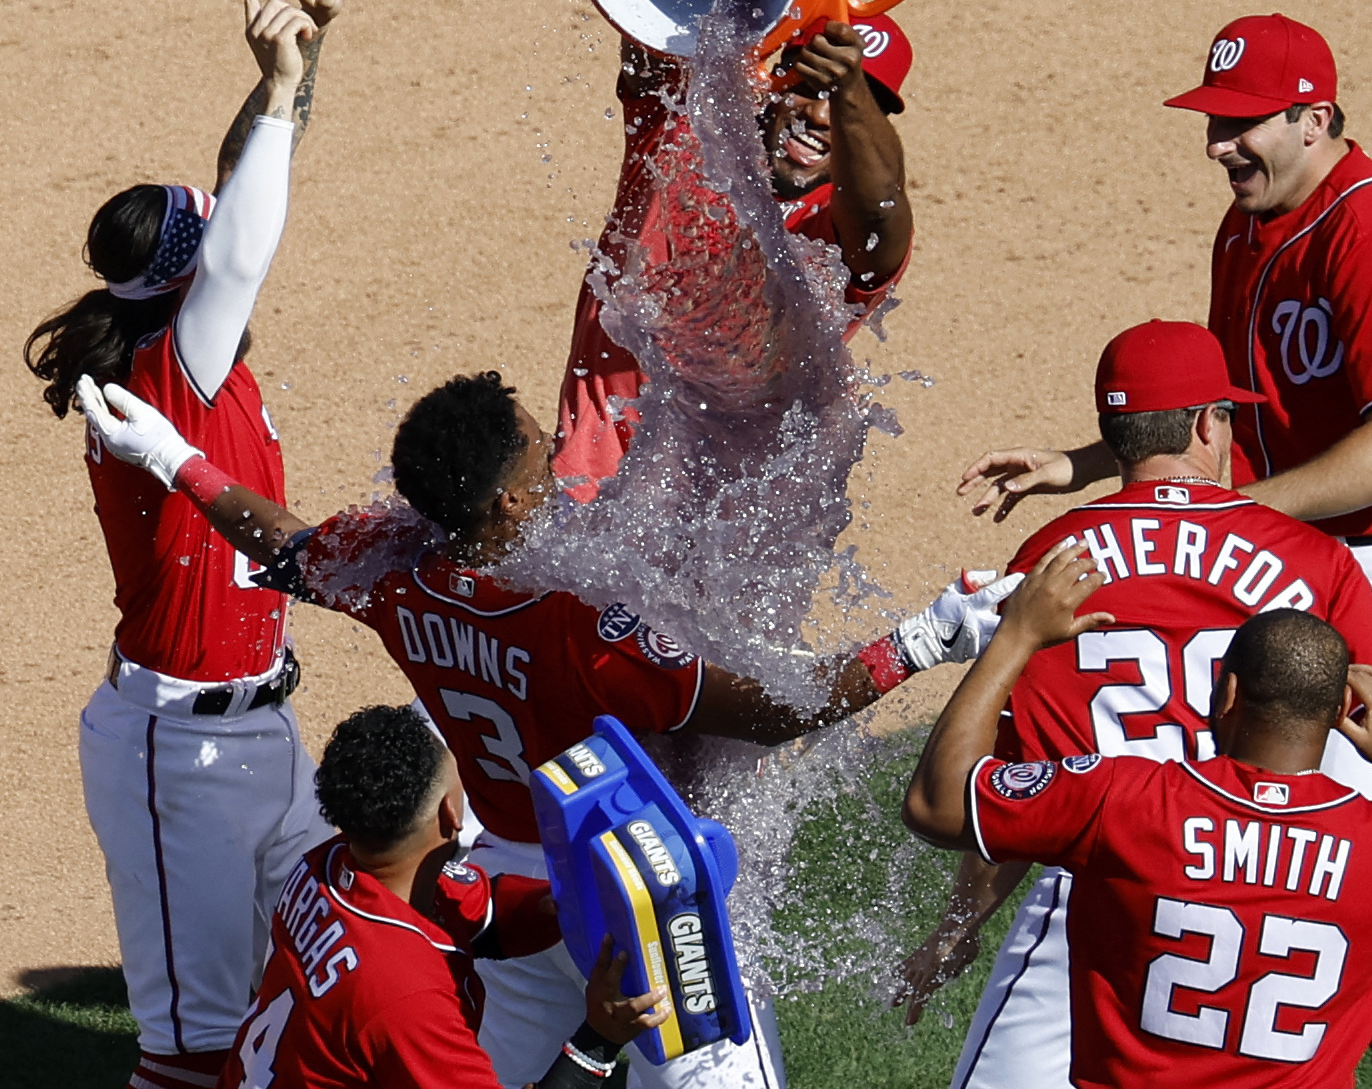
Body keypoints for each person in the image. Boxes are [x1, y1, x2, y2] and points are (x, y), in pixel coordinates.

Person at [78, 368, 1007, 1089]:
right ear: (508, 505)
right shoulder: (575, 630)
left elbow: (278, 538)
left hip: (496, 888)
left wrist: (173, 461)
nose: (555, 453)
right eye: (535, 454)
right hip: (625, 889)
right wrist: (930, 637)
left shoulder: (398, 576)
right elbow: (773, 713)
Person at [898, 319, 1372, 1089]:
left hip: (1100, 892)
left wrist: (958, 924)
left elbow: (1017, 766)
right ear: (1209, 424)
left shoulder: (1053, 559)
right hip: (1281, 883)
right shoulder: (1314, 560)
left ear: (1115, 432)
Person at [960, 14, 1372, 734]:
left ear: (1313, 120)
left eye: (1241, 121)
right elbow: (1216, 410)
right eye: (1212, 120)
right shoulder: (1246, 225)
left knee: (1341, 811)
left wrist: (1237, 521)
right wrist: (1080, 464)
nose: (1215, 146)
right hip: (1285, 560)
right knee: (1223, 808)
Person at [24, 0, 345, 1089]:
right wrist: (271, 90)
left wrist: (299, 64)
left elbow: (241, 192)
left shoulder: (181, 347)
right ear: (184, 279)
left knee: (321, 984)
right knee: (192, 1050)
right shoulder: (175, 374)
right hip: (179, 756)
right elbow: (245, 239)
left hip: (260, 734)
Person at [902, 559, 1372, 1088]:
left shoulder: (1123, 798)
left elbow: (937, 804)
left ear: (1228, 692)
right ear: (1338, 715)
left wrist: (1014, 639)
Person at [551, 0, 918, 498]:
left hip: (708, 554)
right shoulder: (683, 132)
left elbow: (884, 207)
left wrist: (846, 82)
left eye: (852, 99)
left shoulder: (836, 247)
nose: (816, 112)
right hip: (587, 512)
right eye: (806, 84)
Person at [221, 703, 670, 1088]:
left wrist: (573, 900)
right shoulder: (406, 999)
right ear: (451, 813)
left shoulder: (330, 863)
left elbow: (480, 914)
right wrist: (599, 1038)